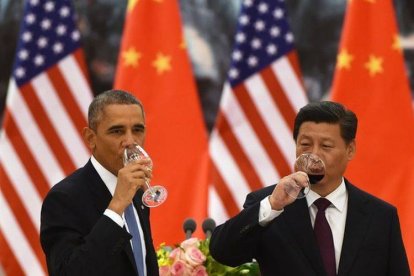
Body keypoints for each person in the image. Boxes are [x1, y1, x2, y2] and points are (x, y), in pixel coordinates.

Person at [209, 101, 410, 276]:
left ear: (350, 150)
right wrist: (272, 206)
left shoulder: (381, 216)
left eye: (326, 146)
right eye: (305, 144)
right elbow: (223, 252)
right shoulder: (270, 205)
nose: (314, 155)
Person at [40, 90, 159, 276]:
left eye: (137, 130)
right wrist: (116, 207)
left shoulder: (137, 191)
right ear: (90, 138)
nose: (130, 141)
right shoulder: (64, 198)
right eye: (117, 131)